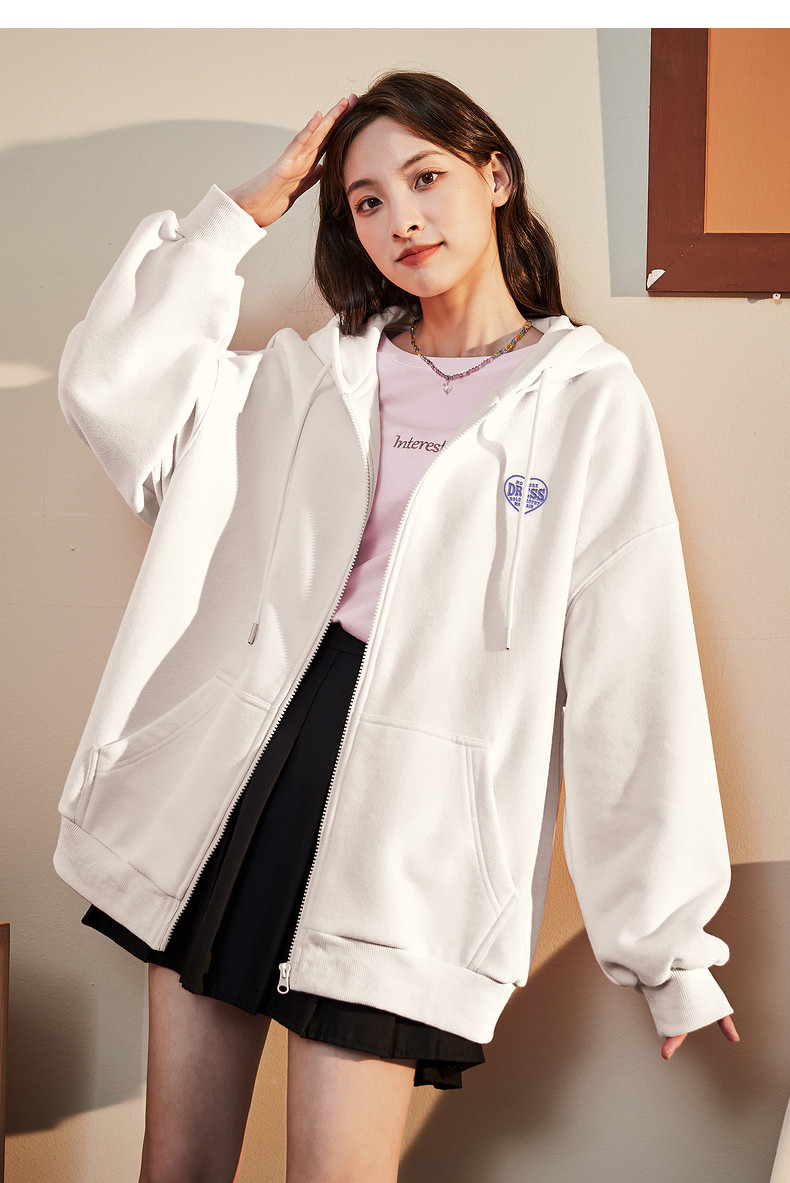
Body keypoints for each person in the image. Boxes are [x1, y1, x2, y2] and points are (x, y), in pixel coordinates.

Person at [53, 71, 739, 1183]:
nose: (400, 219)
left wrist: (668, 949)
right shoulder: (307, 377)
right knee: (175, 1166)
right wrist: (242, 215)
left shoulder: (584, 398)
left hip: (411, 828)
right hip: (239, 773)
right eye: (366, 200)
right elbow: (108, 390)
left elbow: (632, 668)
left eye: (425, 179)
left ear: (495, 176)